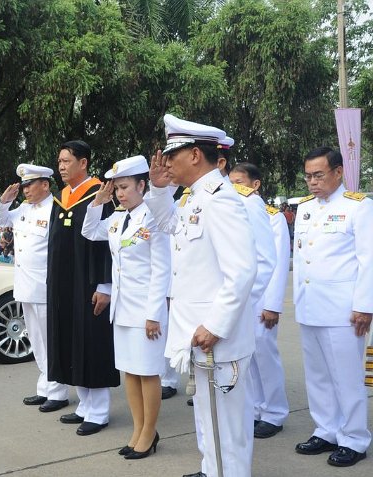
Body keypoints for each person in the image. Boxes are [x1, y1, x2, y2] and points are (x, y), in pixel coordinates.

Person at [145, 114, 257, 477]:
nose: (166, 164)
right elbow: (167, 226)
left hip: (215, 337)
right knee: (207, 418)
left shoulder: (220, 200)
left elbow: (241, 271)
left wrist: (215, 325)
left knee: (228, 426)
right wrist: (160, 190)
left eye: (171, 156)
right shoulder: (194, 199)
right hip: (197, 334)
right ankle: (212, 469)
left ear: (195, 155)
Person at [82, 156, 170, 459]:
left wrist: (153, 315)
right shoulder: (118, 218)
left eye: (125, 187)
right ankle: (138, 429)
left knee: (148, 373)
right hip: (122, 309)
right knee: (130, 373)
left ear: (141, 185)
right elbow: (89, 232)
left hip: (146, 310)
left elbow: (162, 270)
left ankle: (150, 432)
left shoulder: (155, 217)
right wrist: (97, 203)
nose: (120, 193)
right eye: (117, 188)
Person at [292, 146, 372, 467]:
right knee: (318, 375)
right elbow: (302, 258)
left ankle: (354, 438)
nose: (312, 181)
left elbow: (368, 261)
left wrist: (364, 305)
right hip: (310, 306)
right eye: (308, 175)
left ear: (338, 172)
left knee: (346, 377)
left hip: (343, 310)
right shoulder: (305, 208)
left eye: (319, 174)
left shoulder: (359, 207)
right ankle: (326, 429)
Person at [47, 140, 118, 436]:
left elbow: (106, 246)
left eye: (67, 161)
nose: (61, 166)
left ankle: (99, 411)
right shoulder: (61, 197)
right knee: (70, 338)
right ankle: (84, 405)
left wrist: (105, 285)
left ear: (83, 162)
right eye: (60, 161)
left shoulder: (99, 195)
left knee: (91, 341)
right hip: (64, 284)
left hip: (89, 282)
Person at [0, 164, 69, 414]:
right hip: (26, 286)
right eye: (24, 186)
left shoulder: (56, 209)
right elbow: (1, 220)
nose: (25, 189)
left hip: (46, 286)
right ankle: (45, 387)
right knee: (36, 340)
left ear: (45, 185)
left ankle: (58, 392)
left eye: (30, 185)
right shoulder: (23, 209)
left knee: (51, 340)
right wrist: (4, 201)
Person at [229, 163, 290, 439]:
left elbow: (275, 264)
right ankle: (254, 409)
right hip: (240, 300)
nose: (234, 188)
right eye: (231, 182)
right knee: (246, 358)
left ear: (256, 185)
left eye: (240, 182)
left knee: (265, 356)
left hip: (261, 299)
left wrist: (272, 304)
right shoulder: (230, 212)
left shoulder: (271, 216)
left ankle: (274, 412)